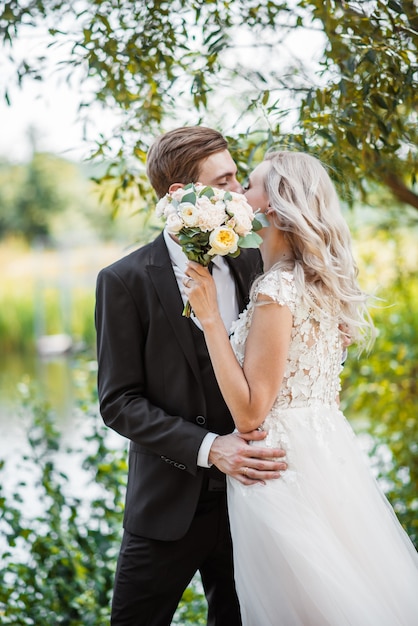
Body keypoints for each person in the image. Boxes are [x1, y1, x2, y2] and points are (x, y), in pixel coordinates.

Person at [184, 150, 418, 625]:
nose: (237, 195)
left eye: (247, 185)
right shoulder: (314, 282)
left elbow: (250, 413)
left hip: (277, 469)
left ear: (272, 205)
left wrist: (209, 318)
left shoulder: (278, 290)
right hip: (325, 456)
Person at [95, 126, 287, 626]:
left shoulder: (255, 264)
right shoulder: (124, 280)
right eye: (224, 184)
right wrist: (208, 448)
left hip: (256, 498)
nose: (238, 195)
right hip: (166, 505)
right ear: (181, 196)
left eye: (237, 181)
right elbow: (119, 401)